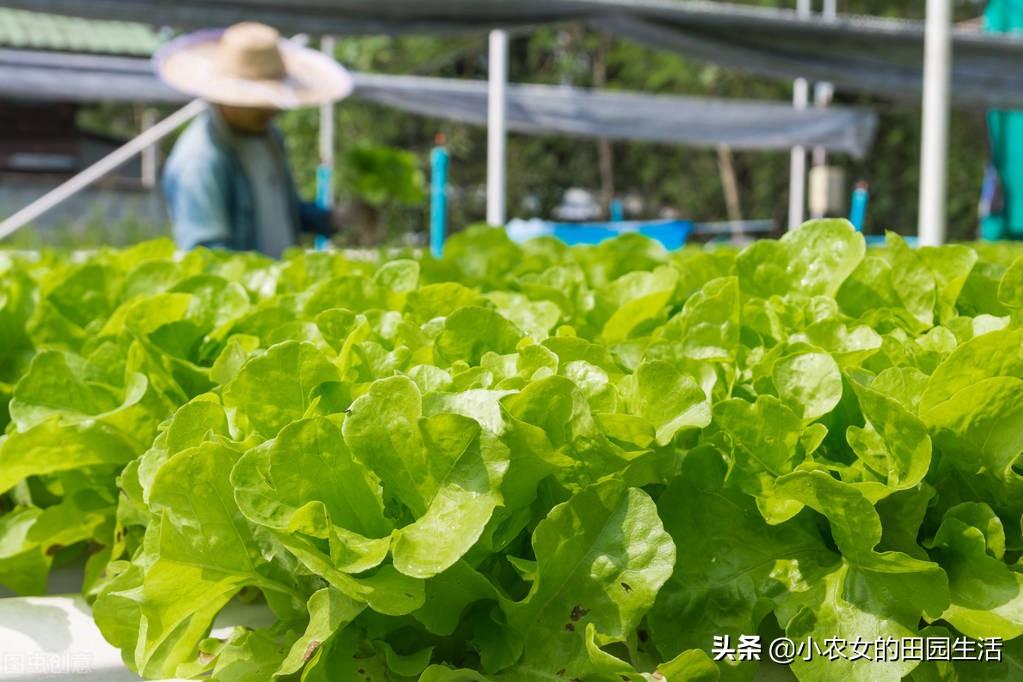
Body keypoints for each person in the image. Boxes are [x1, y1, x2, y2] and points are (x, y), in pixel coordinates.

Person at [153, 22, 353, 256]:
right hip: (246, 292)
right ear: (226, 97)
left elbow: (281, 211)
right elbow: (206, 254)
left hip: (279, 287)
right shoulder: (200, 160)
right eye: (258, 102)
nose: (271, 110)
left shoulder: (268, 138)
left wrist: (336, 218)